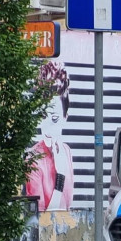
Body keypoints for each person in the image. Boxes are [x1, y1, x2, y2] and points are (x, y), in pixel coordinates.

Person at [26, 64, 74, 212]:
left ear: (65, 116)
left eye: (54, 118)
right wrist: (59, 179)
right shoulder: (33, 159)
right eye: (42, 116)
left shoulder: (66, 151)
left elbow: (69, 205)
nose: (46, 126)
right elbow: (40, 215)